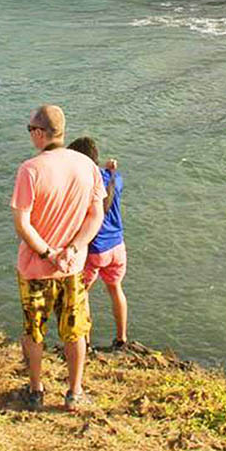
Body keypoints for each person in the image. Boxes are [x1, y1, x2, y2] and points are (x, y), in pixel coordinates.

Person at [11, 105, 105, 412]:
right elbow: (96, 216)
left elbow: (22, 223)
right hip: (73, 268)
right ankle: (74, 392)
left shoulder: (30, 169)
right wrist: (75, 248)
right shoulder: (87, 166)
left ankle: (36, 391)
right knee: (75, 331)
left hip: (36, 269)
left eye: (29, 130)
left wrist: (49, 253)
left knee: (34, 331)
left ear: (39, 133)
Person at [67, 138, 129, 349]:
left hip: (94, 249)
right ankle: (121, 339)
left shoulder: (83, 185)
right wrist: (109, 169)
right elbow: (110, 178)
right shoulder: (114, 179)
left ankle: (86, 343)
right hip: (117, 246)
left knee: (82, 295)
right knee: (115, 289)